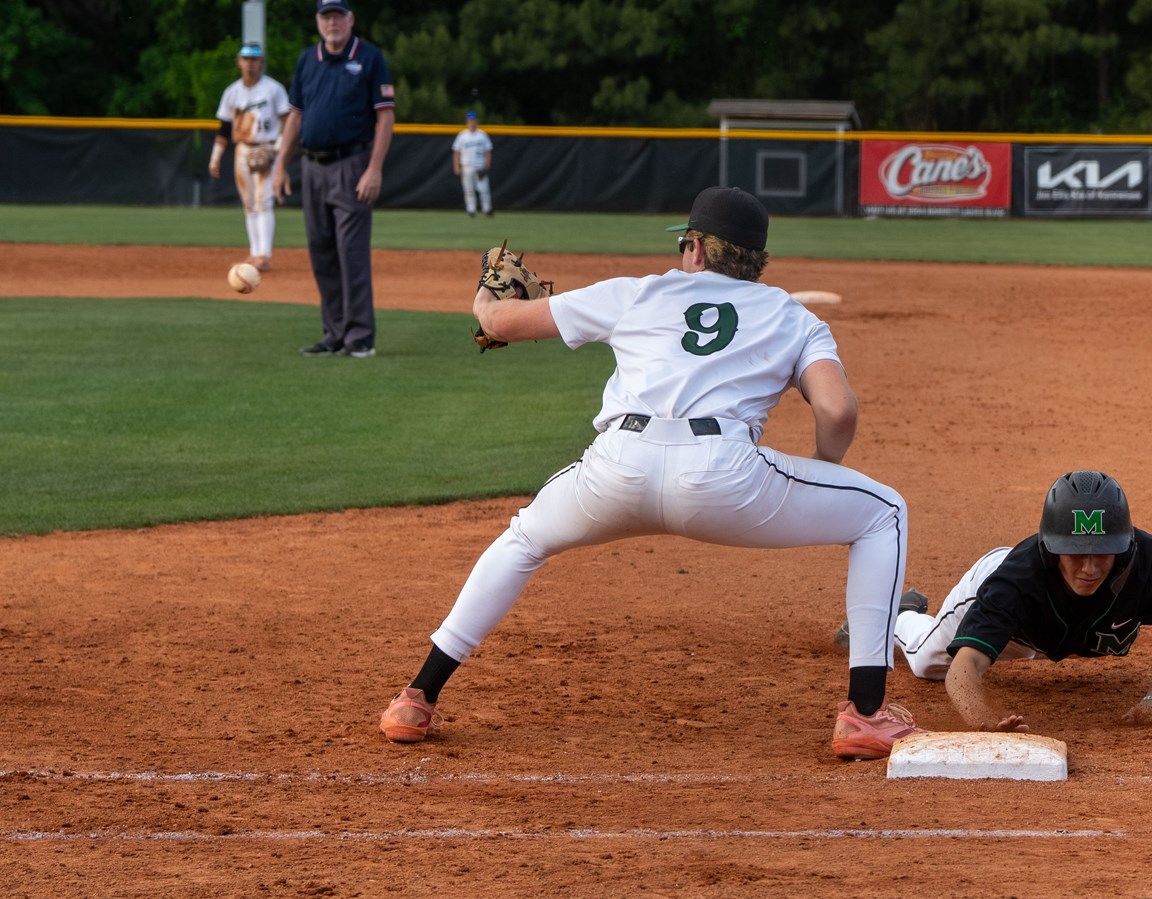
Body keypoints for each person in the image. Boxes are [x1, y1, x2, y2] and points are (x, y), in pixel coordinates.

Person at [378, 186, 928, 761]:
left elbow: (500, 320)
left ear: (694, 248)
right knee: (882, 512)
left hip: (617, 468)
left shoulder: (636, 293)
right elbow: (837, 410)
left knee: (524, 539)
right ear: (755, 262)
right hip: (728, 481)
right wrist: (824, 474)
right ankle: (865, 714)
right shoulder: (794, 316)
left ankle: (417, 697)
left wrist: (487, 302)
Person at [839, 471, 1152, 732]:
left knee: (1028, 644)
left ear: (1124, 547)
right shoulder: (1014, 580)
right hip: (1006, 609)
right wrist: (984, 719)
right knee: (928, 660)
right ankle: (898, 617)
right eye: (1075, 553)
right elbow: (963, 670)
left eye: (1102, 553)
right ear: (1051, 548)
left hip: (1041, 630)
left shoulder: (1144, 559)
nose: (1090, 567)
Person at [272, 0, 394, 359]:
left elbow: (385, 118)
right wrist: (281, 165)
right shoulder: (307, 59)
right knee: (321, 252)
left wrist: (374, 168)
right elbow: (295, 118)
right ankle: (334, 333)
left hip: (351, 165)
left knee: (351, 253)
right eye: (326, 16)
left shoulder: (369, 57)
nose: (333, 22)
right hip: (311, 167)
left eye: (339, 15)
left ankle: (359, 338)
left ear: (351, 19)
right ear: (318, 21)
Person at [209, 41, 291, 273]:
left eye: (255, 59)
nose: (250, 64)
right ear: (239, 62)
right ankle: (254, 253)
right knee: (248, 204)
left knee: (264, 201)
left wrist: (277, 147)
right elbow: (224, 129)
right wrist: (215, 157)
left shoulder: (273, 89)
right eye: (246, 59)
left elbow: (287, 120)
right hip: (243, 149)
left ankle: (265, 254)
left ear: (261, 63)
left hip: (266, 147)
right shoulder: (232, 92)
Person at [451, 111, 493, 217]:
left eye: (474, 121)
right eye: (470, 121)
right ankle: (471, 210)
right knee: (469, 190)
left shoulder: (482, 135)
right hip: (467, 166)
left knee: (483, 189)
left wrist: (487, 166)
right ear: (467, 122)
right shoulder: (462, 135)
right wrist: (456, 166)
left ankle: (487, 210)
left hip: (480, 166)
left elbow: (488, 151)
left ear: (477, 121)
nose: (472, 123)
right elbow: (456, 151)